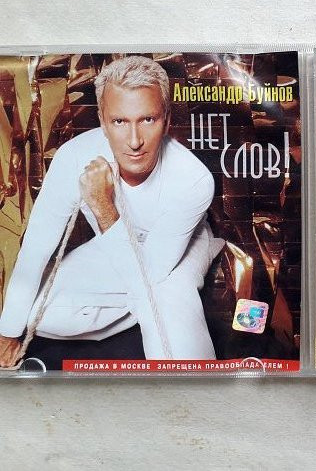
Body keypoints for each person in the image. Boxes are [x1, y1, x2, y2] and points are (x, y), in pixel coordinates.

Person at [0, 56, 221, 366]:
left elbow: (149, 276)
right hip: (114, 247)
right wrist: (8, 334)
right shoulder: (74, 156)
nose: (134, 141)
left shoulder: (194, 179)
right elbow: (36, 249)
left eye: (148, 119)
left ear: (167, 120)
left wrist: (104, 206)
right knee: (34, 313)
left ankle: (187, 385)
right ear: (102, 122)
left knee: (165, 291)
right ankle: (134, 314)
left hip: (180, 248)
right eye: (120, 122)